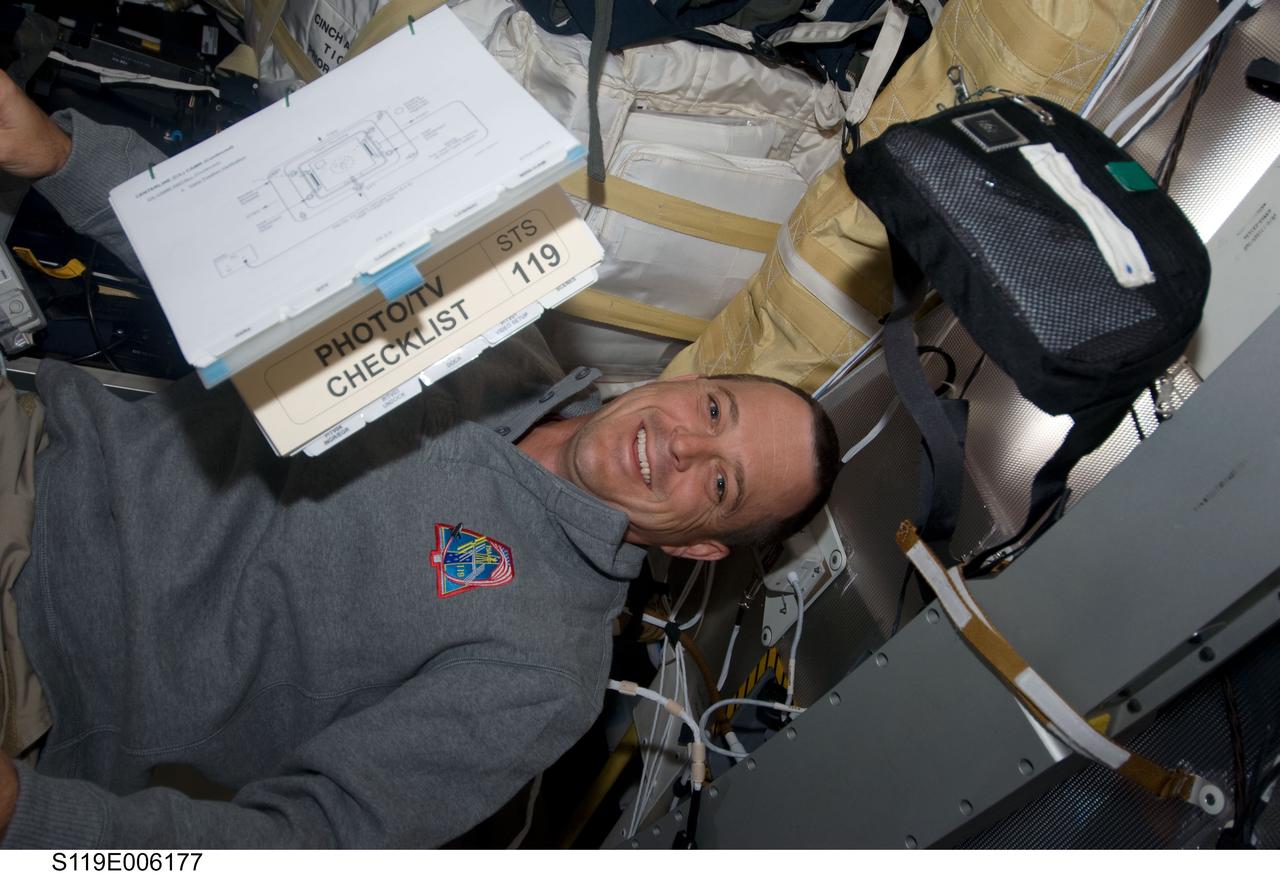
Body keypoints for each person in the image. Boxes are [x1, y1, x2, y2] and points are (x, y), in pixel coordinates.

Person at [0, 70, 839, 847]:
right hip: (34, 450)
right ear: (690, 382)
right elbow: (245, 269)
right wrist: (58, 155)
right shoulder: (496, 329)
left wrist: (29, 820)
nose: (684, 444)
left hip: (32, 657)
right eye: (714, 410)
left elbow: (313, 843)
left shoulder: (543, 670)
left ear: (701, 546)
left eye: (720, 481)